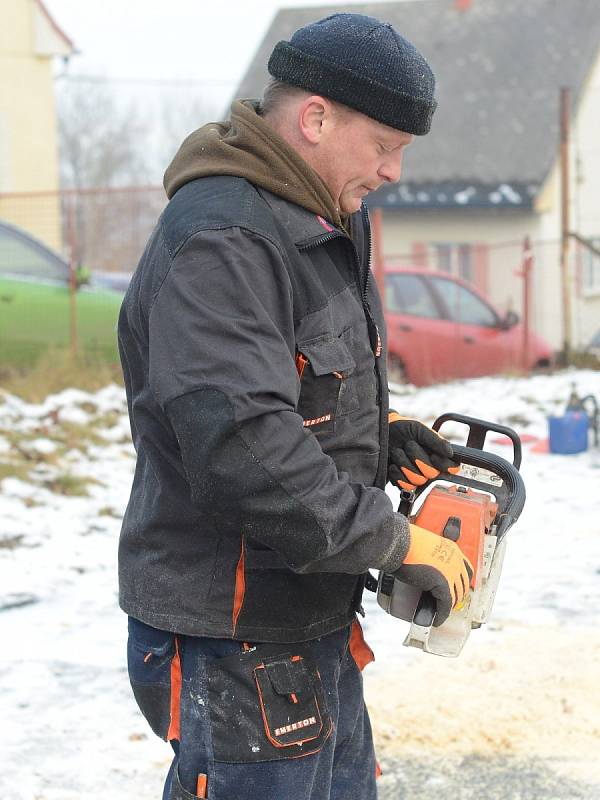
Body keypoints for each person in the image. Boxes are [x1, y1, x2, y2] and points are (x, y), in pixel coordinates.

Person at [118, 13, 472, 800]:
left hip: (309, 611)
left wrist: (378, 435)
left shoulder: (319, 220)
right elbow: (242, 446)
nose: (393, 173)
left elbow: (291, 387)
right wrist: (393, 541)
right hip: (234, 633)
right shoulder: (224, 238)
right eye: (383, 146)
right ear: (314, 119)